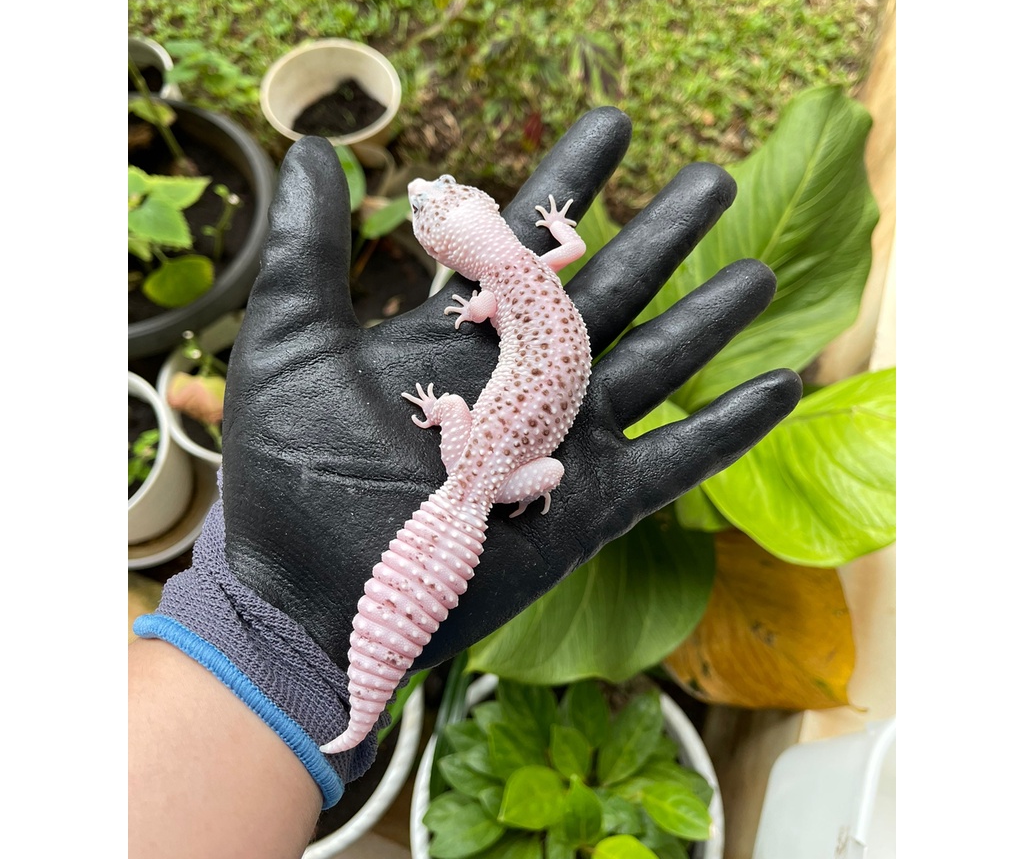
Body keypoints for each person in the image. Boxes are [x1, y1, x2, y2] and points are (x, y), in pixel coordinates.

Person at [128, 107, 802, 858]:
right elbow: (560, 254)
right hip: (499, 474)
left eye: (436, 196)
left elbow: (485, 311)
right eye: (430, 196)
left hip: (483, 465)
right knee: (517, 459)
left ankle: (350, 698)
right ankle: (350, 699)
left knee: (483, 438)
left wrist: (456, 415)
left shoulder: (492, 295)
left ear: (455, 243)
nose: (425, 187)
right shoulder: (527, 266)